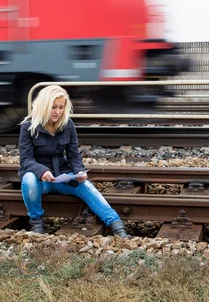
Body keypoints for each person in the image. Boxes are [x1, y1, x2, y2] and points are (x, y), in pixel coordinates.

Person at [18, 84, 130, 239]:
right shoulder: (28, 127)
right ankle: (37, 224)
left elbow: (73, 156)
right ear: (43, 106)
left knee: (87, 186)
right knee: (28, 179)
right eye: (53, 107)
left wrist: (79, 171)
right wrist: (41, 171)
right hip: (40, 181)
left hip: (63, 177)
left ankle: (118, 228)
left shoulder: (68, 124)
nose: (57, 112)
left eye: (60, 107)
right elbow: (26, 160)